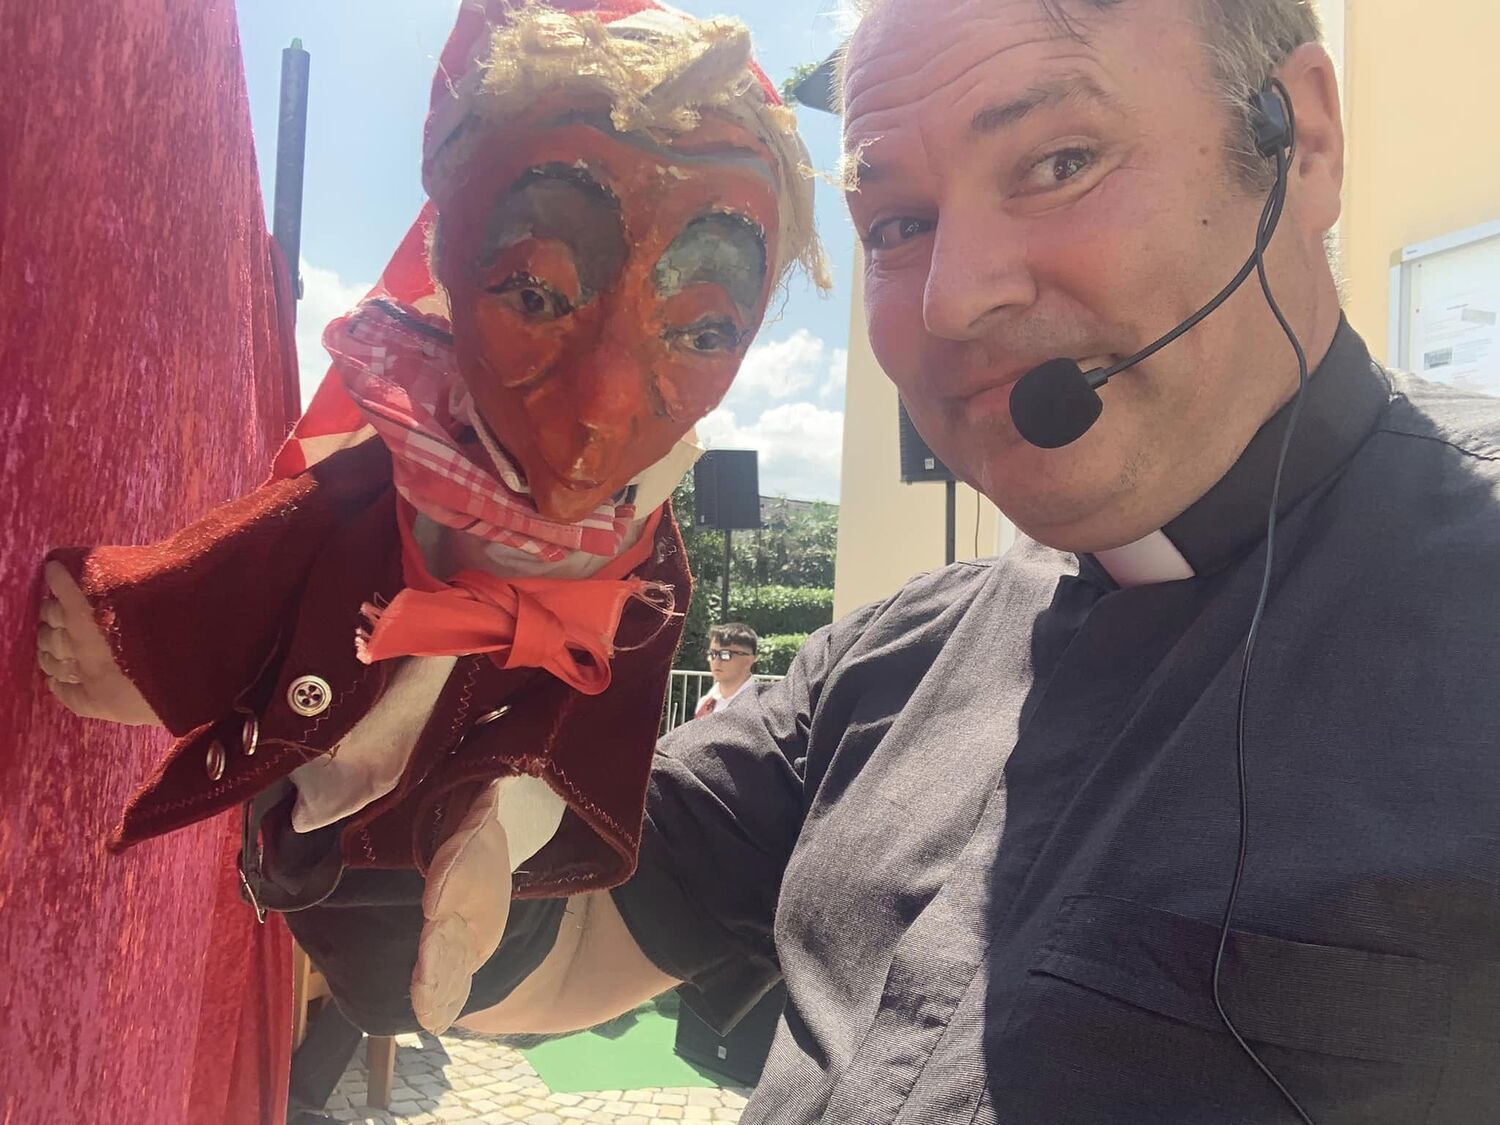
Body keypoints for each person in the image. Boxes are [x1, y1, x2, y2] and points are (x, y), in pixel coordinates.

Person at [448, 1, 1500, 1121]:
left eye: (1059, 162)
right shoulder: (882, 659)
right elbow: (567, 933)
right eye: (898, 224)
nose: (953, 301)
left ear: (1304, 141)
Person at [33, 0, 825, 1038]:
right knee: (335, 831)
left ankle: (484, 836)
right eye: (533, 294)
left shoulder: (645, 561)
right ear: (450, 254)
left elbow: (608, 713)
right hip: (331, 797)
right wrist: (157, 634)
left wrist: (511, 799)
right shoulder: (401, 469)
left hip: (490, 844)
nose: (604, 403)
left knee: (503, 819)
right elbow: (278, 547)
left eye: (703, 330)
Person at [694, 623, 760, 718]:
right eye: (712, 653)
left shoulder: (760, 707)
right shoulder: (705, 704)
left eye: (725, 655)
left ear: (748, 660)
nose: (716, 661)